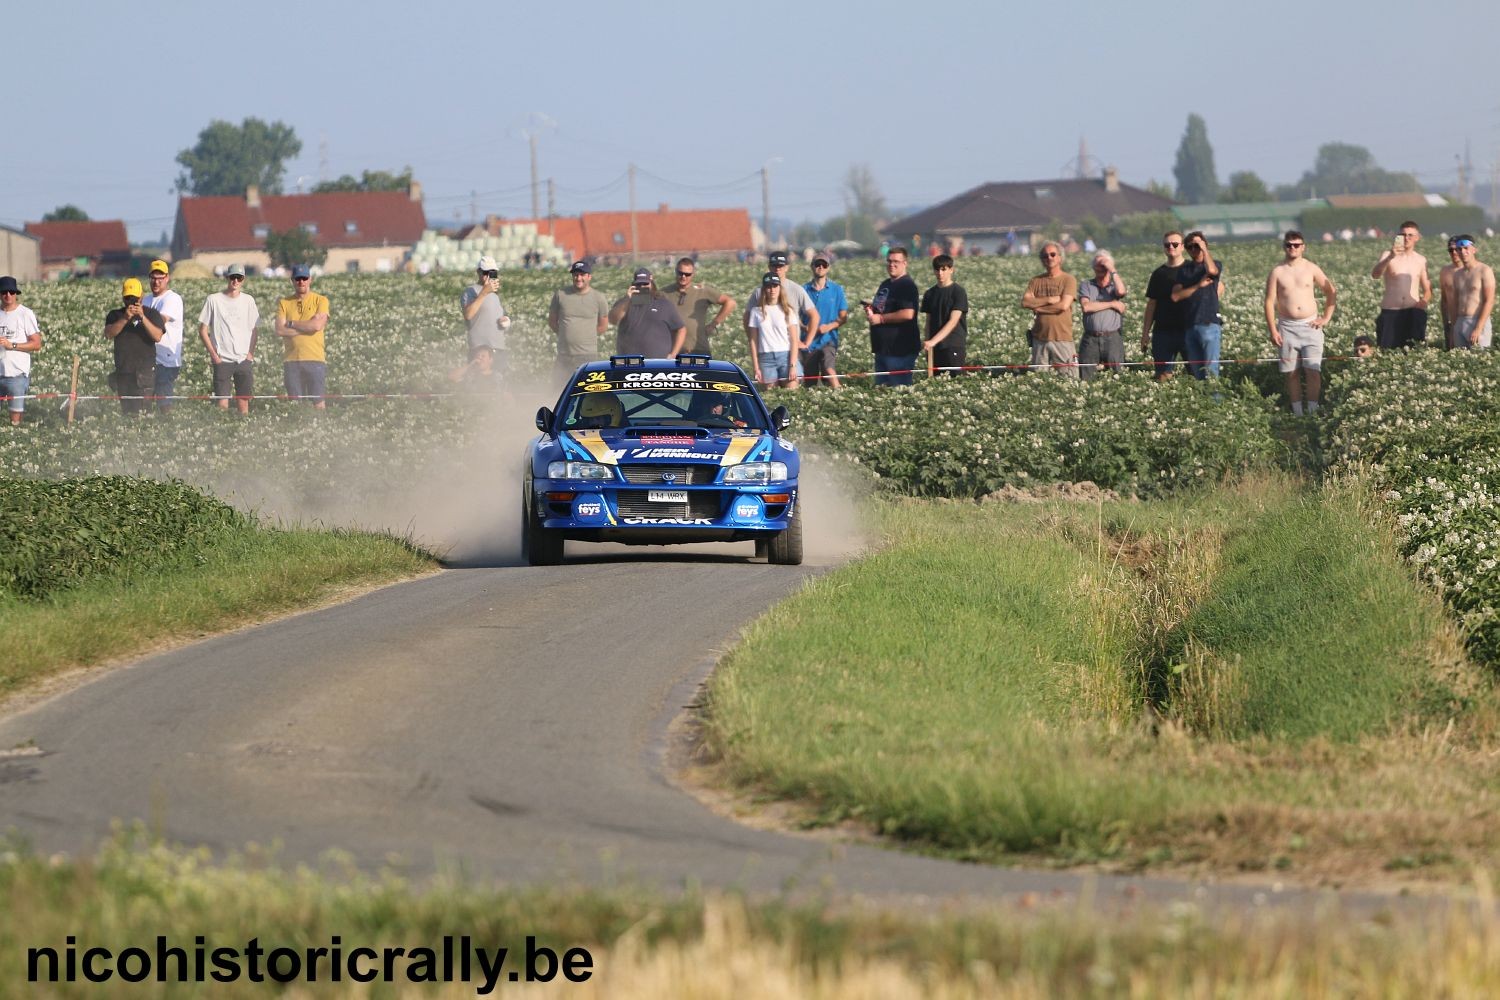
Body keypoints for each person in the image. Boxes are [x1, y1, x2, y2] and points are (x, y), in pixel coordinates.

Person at [1264, 231, 1337, 416]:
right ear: (1284, 247)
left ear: (1303, 247)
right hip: (1287, 327)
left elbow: (1330, 291)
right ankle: (1298, 413)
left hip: (1311, 325)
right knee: (1292, 372)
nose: (1293, 248)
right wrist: (1273, 330)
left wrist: (1326, 318)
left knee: (1313, 370)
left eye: (1296, 245)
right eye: (1289, 245)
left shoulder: (1312, 268)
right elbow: (1269, 301)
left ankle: (1312, 412)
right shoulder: (1277, 271)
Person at [198, 263, 260, 413]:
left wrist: (250, 354)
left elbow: (255, 329)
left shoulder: (248, 301)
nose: (235, 281)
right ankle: (223, 432)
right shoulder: (213, 300)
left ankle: (242, 430)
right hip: (222, 360)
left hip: (243, 359)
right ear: (227, 277)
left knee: (244, 402)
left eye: (239, 278)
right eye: (233, 277)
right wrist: (214, 355)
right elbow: (202, 329)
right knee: (222, 404)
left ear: (243, 279)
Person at [744, 251, 818, 373]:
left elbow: (814, 315)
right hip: (767, 352)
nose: (777, 268)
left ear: (787, 268)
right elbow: (747, 318)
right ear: (769, 267)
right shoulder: (759, 292)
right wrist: (754, 340)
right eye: (774, 265)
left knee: (793, 382)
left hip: (791, 349)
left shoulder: (796, 289)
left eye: (781, 266)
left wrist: (806, 342)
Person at [103, 277, 165, 415]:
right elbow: (108, 334)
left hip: (145, 373)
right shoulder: (115, 315)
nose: (131, 302)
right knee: (127, 413)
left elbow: (157, 336)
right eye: (128, 298)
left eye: (135, 298)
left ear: (142, 296)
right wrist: (125, 318)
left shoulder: (152, 314)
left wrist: (142, 317)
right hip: (124, 372)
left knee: (144, 412)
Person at [1170, 231, 1226, 379]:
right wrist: (1198, 286)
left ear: (1204, 245)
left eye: (1197, 246)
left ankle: (1215, 401)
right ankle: (1203, 400)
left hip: (1209, 323)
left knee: (1211, 371)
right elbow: (1175, 296)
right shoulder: (1184, 270)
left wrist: (1204, 250)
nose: (1194, 249)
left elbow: (1212, 271)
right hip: (1190, 326)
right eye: (1190, 247)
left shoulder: (1215, 264)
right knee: (1197, 373)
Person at [275, 264, 330, 408]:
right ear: (292, 280)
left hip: (315, 359)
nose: (301, 282)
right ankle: (297, 428)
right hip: (291, 360)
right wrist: (307, 327)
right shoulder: (284, 302)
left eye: (304, 278)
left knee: (318, 402)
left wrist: (291, 323)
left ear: (310, 279)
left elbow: (317, 326)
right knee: (295, 403)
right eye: (298, 279)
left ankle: (322, 428)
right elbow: (280, 330)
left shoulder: (321, 300)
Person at [864, 246, 921, 386]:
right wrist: (872, 311)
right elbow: (880, 308)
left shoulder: (907, 285)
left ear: (905, 263)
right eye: (889, 261)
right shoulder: (886, 284)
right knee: (882, 390)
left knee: (898, 391)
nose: (891, 264)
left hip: (900, 349)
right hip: (882, 348)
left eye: (896, 261)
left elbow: (908, 313)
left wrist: (881, 319)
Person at [1021, 242, 1079, 378]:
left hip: (1062, 337)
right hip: (1040, 338)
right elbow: (1025, 302)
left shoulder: (1068, 279)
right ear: (1042, 260)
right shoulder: (1035, 281)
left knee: (1069, 377)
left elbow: (1063, 306)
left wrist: (1039, 309)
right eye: (1045, 256)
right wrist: (1048, 300)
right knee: (1038, 379)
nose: (1049, 258)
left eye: (1053, 254)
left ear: (1060, 258)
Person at [1370, 220, 1431, 349]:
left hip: (1413, 312)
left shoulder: (1421, 260)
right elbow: (1375, 275)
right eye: (1403, 235)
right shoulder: (1387, 255)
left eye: (1410, 235)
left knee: (1414, 351)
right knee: (1387, 351)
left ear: (1417, 238)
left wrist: (1424, 301)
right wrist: (1390, 257)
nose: (1406, 238)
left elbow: (1427, 289)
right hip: (1391, 312)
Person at [548, 260, 610, 381]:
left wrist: (585, 336)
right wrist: (565, 335)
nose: (578, 278)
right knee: (558, 391)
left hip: (587, 356)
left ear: (589, 277)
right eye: (575, 275)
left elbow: (603, 326)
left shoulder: (599, 298)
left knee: (586, 391)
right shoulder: (560, 295)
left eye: (582, 275)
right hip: (564, 355)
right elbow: (552, 321)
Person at [1142, 232, 1191, 380]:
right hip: (1163, 331)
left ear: (1182, 247)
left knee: (1196, 371)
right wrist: (1145, 333)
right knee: (1163, 374)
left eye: (1175, 244)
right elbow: (1152, 303)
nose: (1171, 247)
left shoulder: (1192, 269)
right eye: (1167, 244)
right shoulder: (1158, 273)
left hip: (1188, 330)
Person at [609, 267, 687, 358]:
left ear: (651, 283)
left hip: (658, 363)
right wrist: (628, 299)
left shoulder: (664, 304)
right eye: (639, 284)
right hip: (630, 363)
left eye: (645, 283)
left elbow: (681, 329)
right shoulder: (624, 303)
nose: (642, 287)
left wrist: (673, 354)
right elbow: (613, 319)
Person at [666, 257, 735, 357]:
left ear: (693, 274)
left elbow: (730, 302)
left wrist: (713, 325)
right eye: (680, 273)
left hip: (698, 349)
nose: (683, 277)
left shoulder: (702, 291)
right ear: (675, 271)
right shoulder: (664, 293)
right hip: (673, 351)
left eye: (688, 274)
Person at [1077, 250, 1127, 380]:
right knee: (1087, 376)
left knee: (1117, 374)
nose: (1101, 267)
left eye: (1104, 264)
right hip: (1091, 338)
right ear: (1093, 267)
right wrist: (1112, 304)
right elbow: (1086, 307)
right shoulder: (1087, 285)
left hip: (1113, 337)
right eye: (1098, 264)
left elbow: (1121, 291)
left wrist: (1112, 269)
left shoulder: (1113, 286)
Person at [747, 273, 802, 388]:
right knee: (771, 395)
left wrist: (793, 366)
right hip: (766, 359)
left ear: (779, 288)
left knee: (791, 389)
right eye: (769, 286)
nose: (772, 290)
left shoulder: (788, 311)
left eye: (775, 286)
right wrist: (756, 367)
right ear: (764, 289)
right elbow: (753, 341)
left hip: (786, 356)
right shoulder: (756, 312)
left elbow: (794, 340)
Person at [0, 276, 42, 426]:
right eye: (4, 292)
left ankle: (15, 436)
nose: (8, 295)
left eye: (11, 292)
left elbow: (36, 344)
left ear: (16, 293)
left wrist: (13, 345)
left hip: (16, 374)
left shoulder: (25, 313)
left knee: (15, 420)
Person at [143, 259, 184, 411]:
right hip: (149, 360)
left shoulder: (172, 299)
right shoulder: (146, 300)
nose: (156, 282)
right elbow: (136, 324)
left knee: (164, 403)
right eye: (153, 278)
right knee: (144, 402)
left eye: (160, 278)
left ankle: (168, 428)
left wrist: (141, 318)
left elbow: (159, 320)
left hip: (166, 361)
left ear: (167, 278)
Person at [802, 251, 847, 388]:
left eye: (824, 264)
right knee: (810, 380)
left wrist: (829, 327)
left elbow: (843, 317)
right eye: (817, 264)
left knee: (829, 368)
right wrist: (806, 328)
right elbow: (793, 316)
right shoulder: (803, 290)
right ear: (812, 266)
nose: (820, 267)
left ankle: (840, 395)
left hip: (828, 340)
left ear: (828, 267)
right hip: (808, 342)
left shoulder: (836, 289)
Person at [920, 254, 968, 376]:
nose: (940, 273)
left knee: (954, 380)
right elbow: (928, 322)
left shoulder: (958, 292)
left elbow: (953, 321)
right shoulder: (930, 294)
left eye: (943, 269)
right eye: (937, 270)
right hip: (935, 348)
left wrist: (933, 341)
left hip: (953, 344)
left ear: (951, 270)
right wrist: (928, 342)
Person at [461, 254, 511, 370]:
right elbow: (468, 315)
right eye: (485, 272)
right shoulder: (470, 291)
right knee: (478, 384)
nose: (488, 276)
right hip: (480, 350)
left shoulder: (495, 294)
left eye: (492, 273)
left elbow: (498, 318)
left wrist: (506, 322)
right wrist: (484, 292)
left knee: (500, 383)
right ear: (478, 272)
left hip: (498, 348)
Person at [1449, 235, 1495, 350]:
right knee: (1460, 361)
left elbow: (1489, 301)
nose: (1462, 252)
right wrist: (1453, 330)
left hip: (1477, 321)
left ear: (1474, 250)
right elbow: (1454, 304)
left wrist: (1479, 328)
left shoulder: (1484, 270)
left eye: (1466, 248)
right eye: (1459, 249)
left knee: (1479, 360)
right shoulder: (1457, 274)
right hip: (1460, 322)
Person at [1438, 237, 1463, 349]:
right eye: (1450, 250)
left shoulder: (1473, 270)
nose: (1454, 252)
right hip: (1452, 322)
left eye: (1457, 249)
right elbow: (1444, 299)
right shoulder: (1445, 271)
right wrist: (1445, 321)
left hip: (1470, 319)